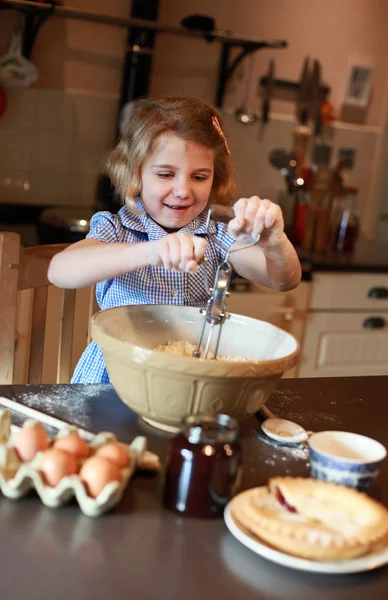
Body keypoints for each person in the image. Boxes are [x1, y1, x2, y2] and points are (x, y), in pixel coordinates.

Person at [48, 96, 301, 383]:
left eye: (199, 177)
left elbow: (283, 280)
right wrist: (148, 252)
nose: (182, 190)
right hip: (117, 377)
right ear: (135, 174)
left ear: (215, 178)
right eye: (166, 174)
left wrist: (274, 242)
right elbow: (60, 271)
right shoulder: (117, 229)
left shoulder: (218, 232)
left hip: (189, 377)